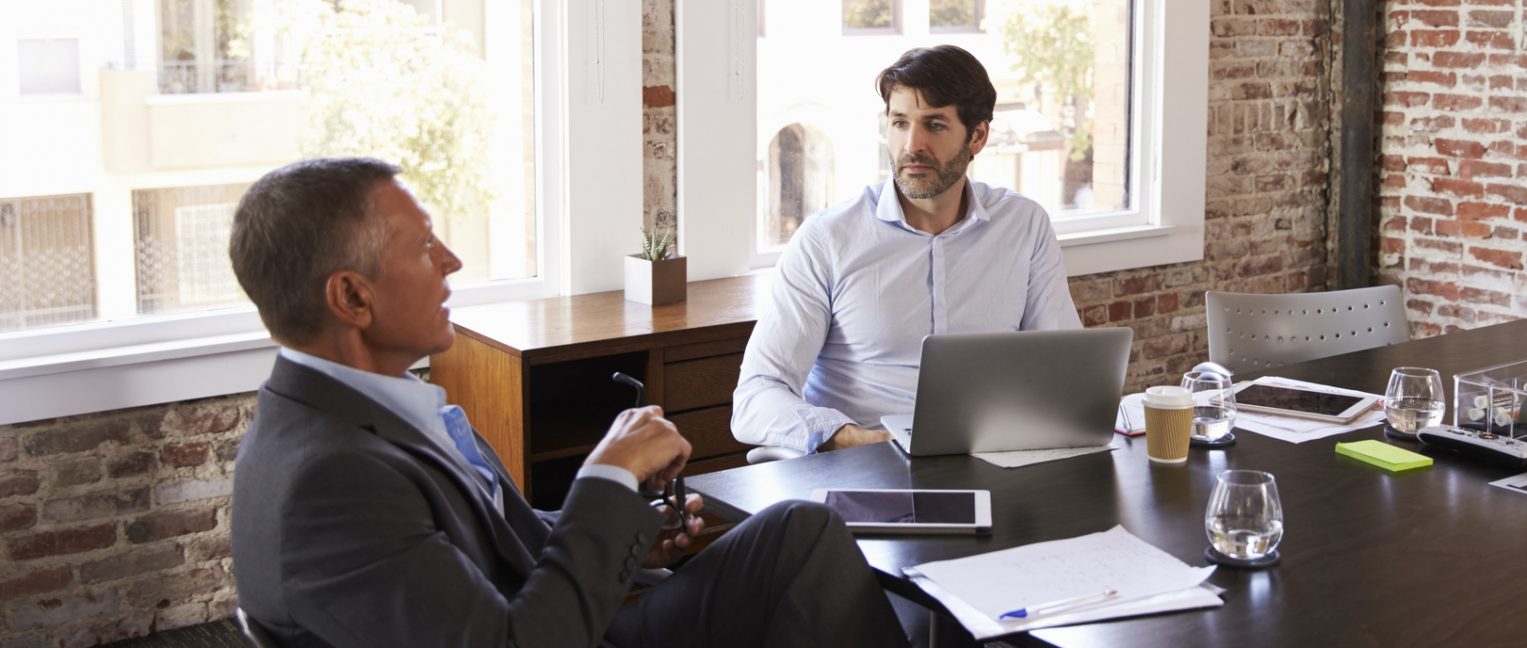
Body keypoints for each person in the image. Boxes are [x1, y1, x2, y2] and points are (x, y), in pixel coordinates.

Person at [228, 157, 903, 648]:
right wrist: (607, 477)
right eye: (424, 246)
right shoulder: (330, 485)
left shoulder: (375, 409)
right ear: (352, 297)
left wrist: (632, 534)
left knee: (798, 530)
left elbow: (495, 540)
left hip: (577, 616)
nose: (452, 261)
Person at [731, 45, 1082, 455]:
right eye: (899, 123)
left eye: (934, 125)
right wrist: (852, 437)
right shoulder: (827, 240)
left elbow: (1065, 369)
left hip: (991, 459)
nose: (912, 145)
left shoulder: (1024, 226)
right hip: (866, 465)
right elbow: (756, 396)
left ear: (978, 136)